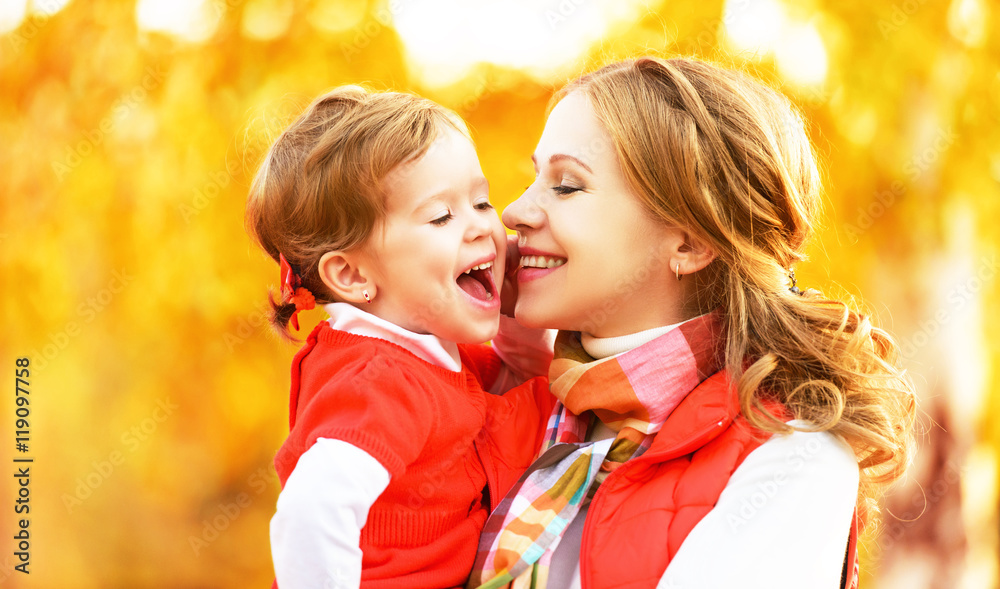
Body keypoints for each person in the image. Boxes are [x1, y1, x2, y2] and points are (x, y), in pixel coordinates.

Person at [469, 57, 916, 589]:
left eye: (566, 186)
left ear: (690, 241)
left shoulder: (793, 458)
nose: (515, 211)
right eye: (534, 177)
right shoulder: (525, 405)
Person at [244, 86, 555, 589]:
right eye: (441, 216)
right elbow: (310, 509)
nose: (482, 228)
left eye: (481, 201)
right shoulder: (381, 380)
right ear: (351, 275)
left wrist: (519, 306)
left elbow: (520, 387)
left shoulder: (431, 351)